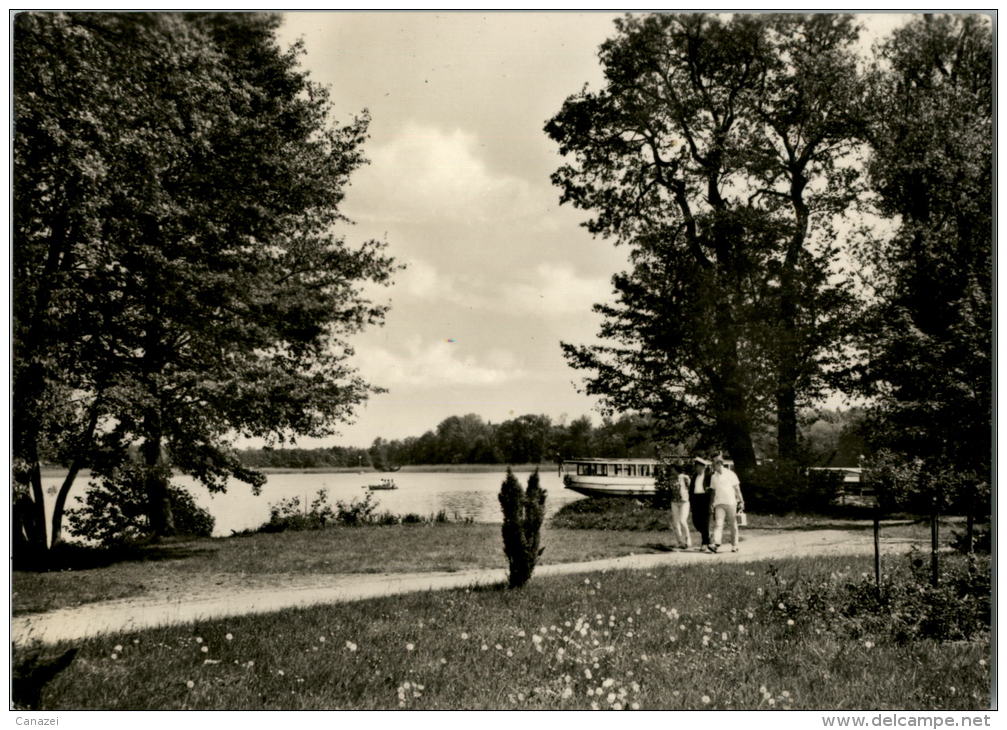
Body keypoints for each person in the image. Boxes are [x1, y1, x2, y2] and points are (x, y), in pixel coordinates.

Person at [708, 455, 745, 553]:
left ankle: (735, 545)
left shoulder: (730, 474)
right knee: (718, 524)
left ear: (720, 464)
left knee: (733, 525)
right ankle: (716, 544)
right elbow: (713, 491)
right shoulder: (713, 477)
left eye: (714, 463)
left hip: (731, 503)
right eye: (712, 463)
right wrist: (711, 503)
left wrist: (741, 501)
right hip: (719, 504)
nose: (712, 465)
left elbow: (737, 489)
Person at [689, 457, 712, 551]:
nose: (696, 469)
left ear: (703, 467)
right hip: (696, 500)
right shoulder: (694, 476)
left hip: (705, 500)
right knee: (696, 521)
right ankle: (707, 535)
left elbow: (712, 488)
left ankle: (705, 542)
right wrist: (691, 501)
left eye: (698, 467)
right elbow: (691, 489)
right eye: (696, 467)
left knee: (705, 522)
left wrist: (711, 501)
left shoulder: (709, 475)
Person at [669, 464, 692, 549]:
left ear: (676, 469)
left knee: (682, 521)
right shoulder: (671, 479)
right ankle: (680, 542)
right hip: (674, 502)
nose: (671, 471)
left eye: (673, 469)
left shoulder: (685, 477)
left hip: (684, 502)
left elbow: (690, 488)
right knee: (676, 523)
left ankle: (688, 538)